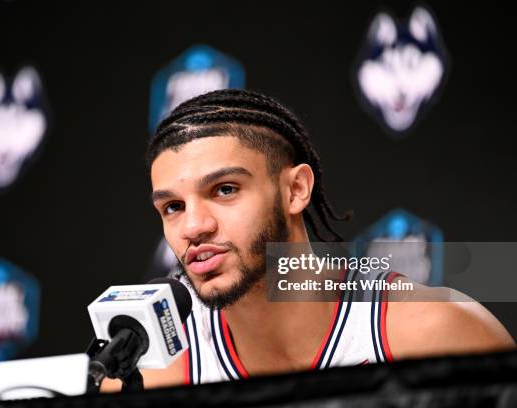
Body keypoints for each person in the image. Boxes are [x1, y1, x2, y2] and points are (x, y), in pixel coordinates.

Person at [102, 89, 514, 391]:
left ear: (296, 190)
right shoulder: (154, 372)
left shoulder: (433, 332)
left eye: (225, 189)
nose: (193, 227)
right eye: (172, 206)